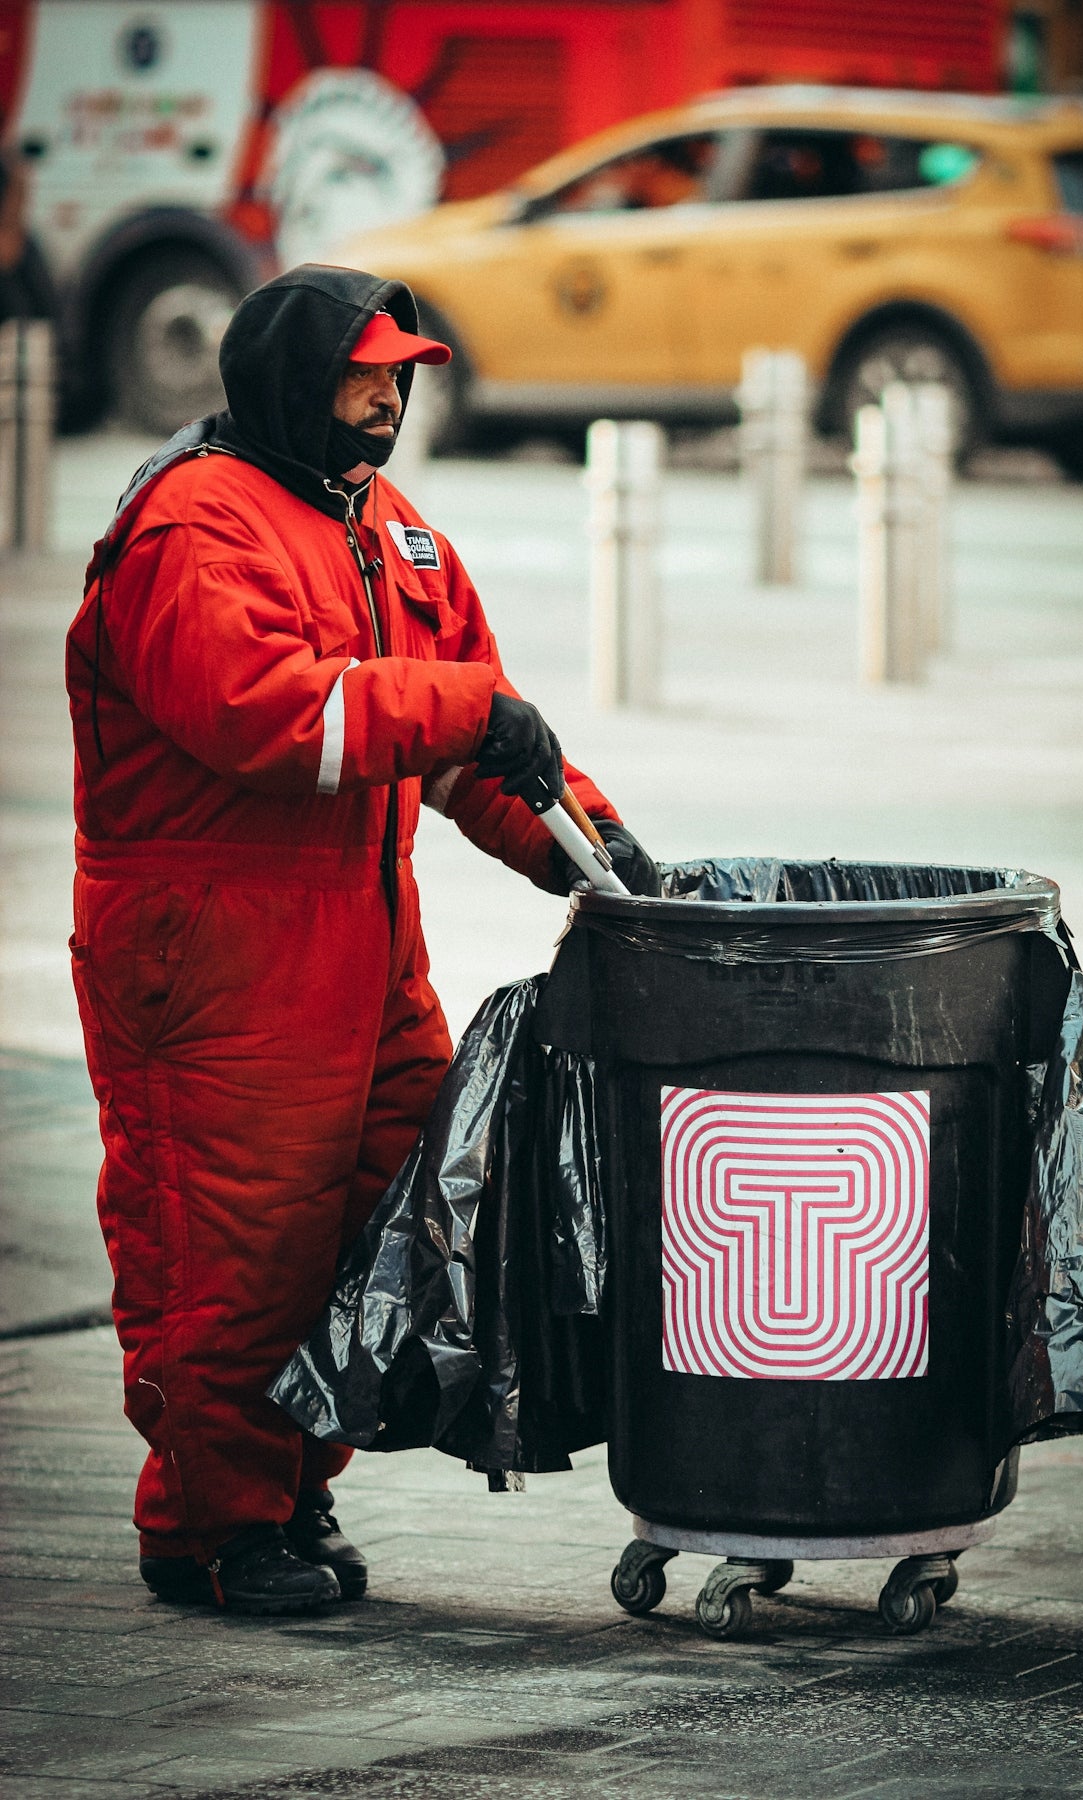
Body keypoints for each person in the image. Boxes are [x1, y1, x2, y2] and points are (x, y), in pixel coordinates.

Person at [65, 265, 657, 1616]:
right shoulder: (190, 525)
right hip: (211, 952)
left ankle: (290, 1482)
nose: (388, 396)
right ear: (291, 383)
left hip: (363, 944)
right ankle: (211, 1526)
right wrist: (464, 713)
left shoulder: (387, 529)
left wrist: (605, 860)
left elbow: (469, 748)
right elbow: (272, 716)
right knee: (234, 1249)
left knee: (392, 1219)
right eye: (364, 374)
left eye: (402, 375)